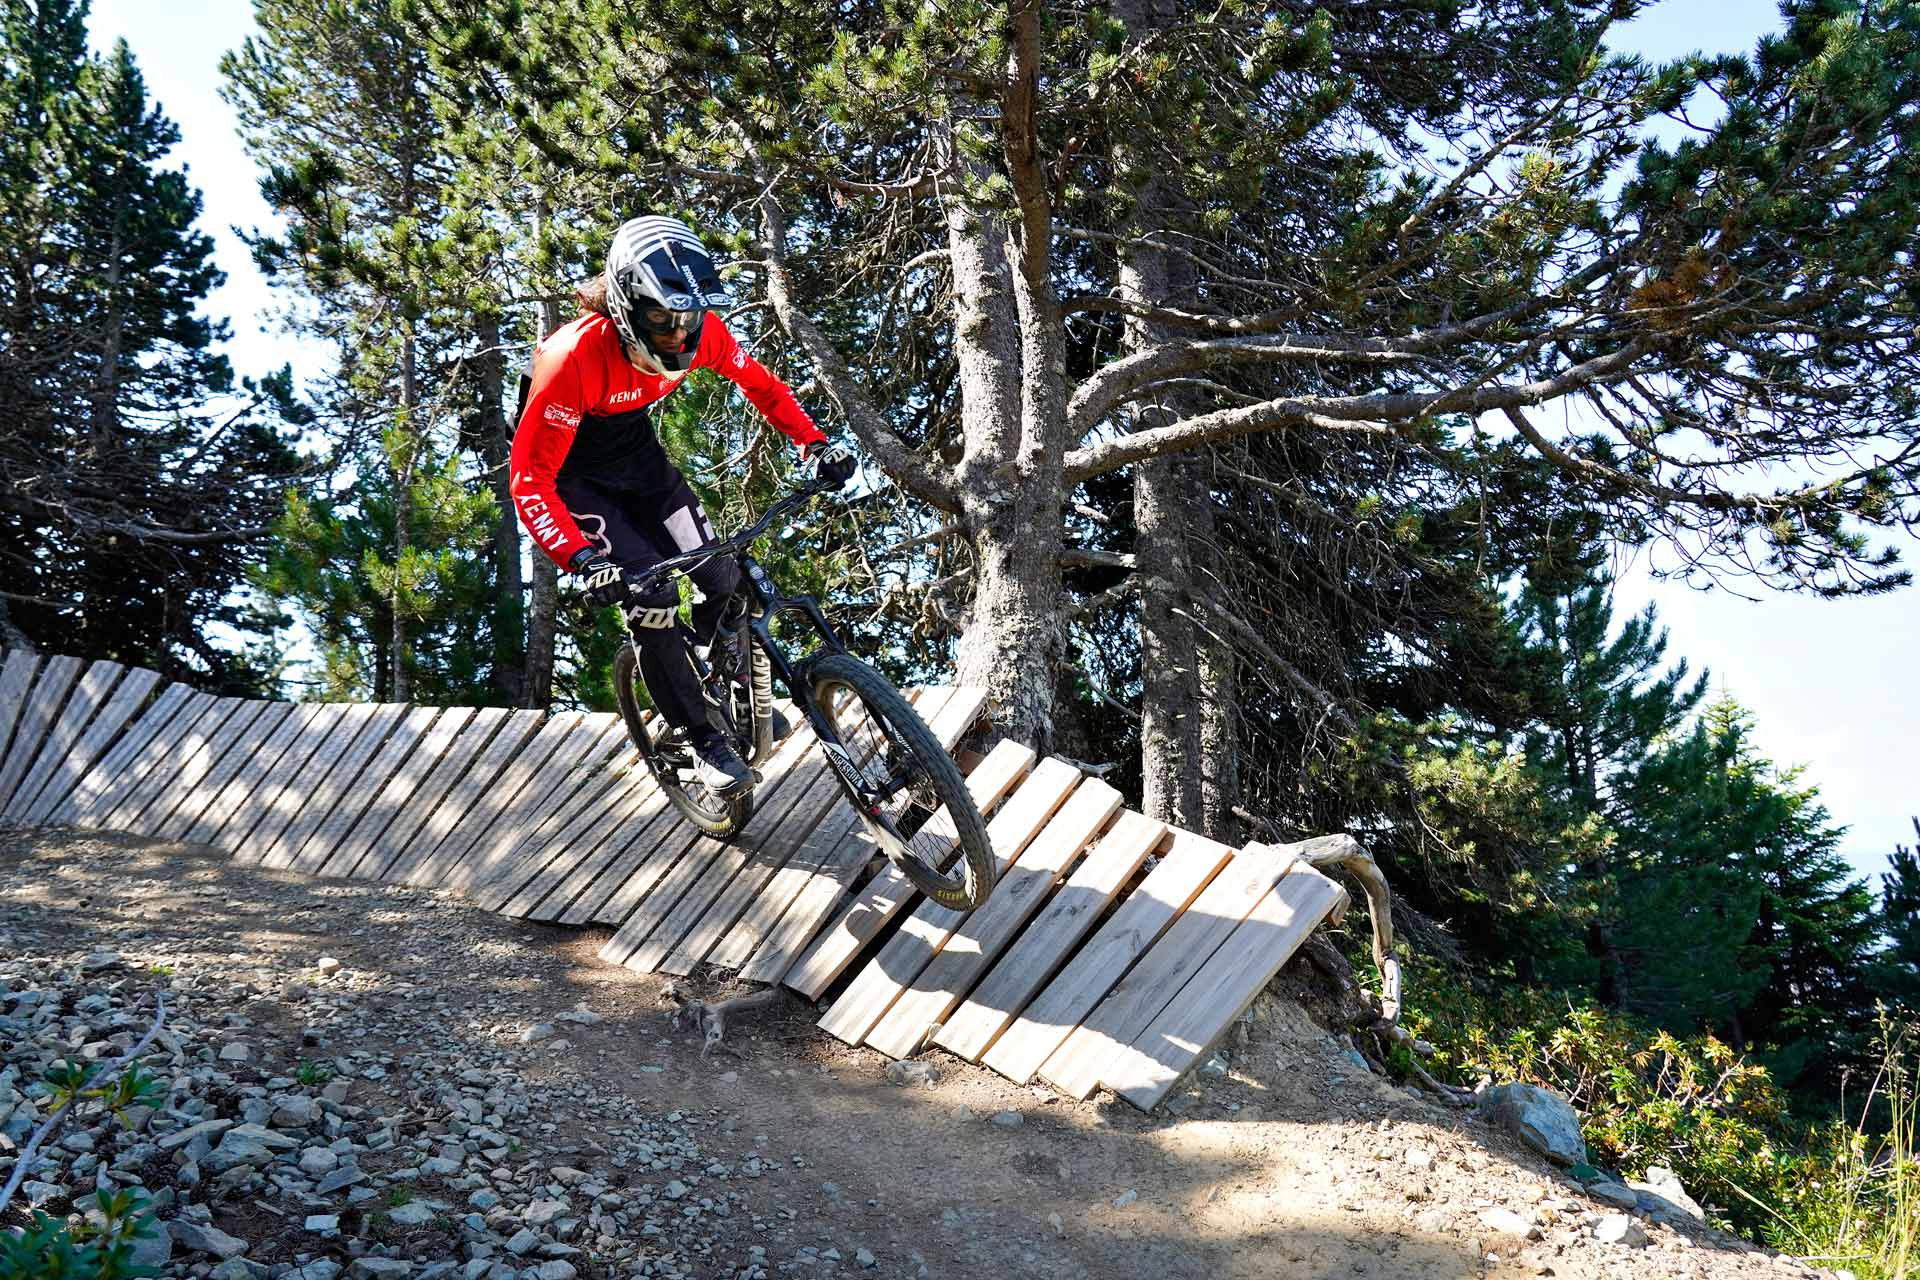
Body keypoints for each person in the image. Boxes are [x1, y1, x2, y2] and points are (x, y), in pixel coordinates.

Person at [509, 214, 855, 795]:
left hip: (641, 465)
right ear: (623, 307)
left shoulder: (705, 333)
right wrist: (581, 560)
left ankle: (719, 679)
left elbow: (764, 387)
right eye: (659, 321)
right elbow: (529, 480)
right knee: (654, 594)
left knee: (724, 575)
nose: (677, 337)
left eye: (687, 320)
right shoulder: (570, 359)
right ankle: (701, 739)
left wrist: (814, 443)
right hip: (575, 480)